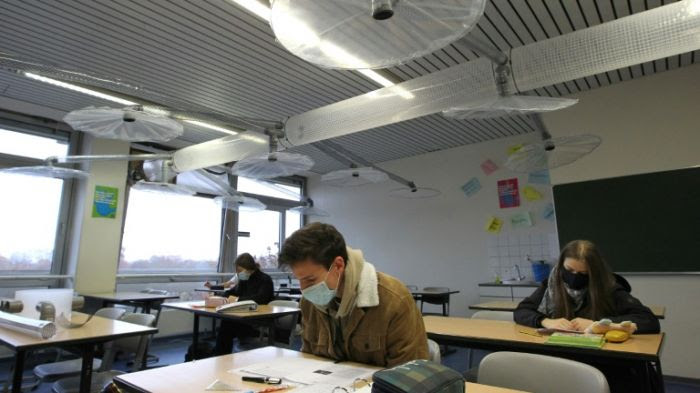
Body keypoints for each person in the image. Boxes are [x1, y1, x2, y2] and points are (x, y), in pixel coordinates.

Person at [278, 222, 429, 368]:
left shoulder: (394, 301)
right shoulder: (309, 303)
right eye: (299, 280)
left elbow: (410, 376)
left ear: (338, 265)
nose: (304, 289)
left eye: (310, 279)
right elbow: (310, 360)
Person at [515, 240, 660, 334]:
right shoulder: (553, 283)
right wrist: (546, 321)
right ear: (561, 266)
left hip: (602, 357)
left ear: (594, 273)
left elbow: (649, 321)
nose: (574, 277)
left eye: (583, 273)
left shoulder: (610, 288)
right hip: (563, 352)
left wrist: (599, 325)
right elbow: (521, 311)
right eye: (569, 270)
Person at [214, 253, 274, 355]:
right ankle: (220, 356)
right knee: (226, 323)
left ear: (249, 268)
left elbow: (260, 299)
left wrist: (237, 300)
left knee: (227, 326)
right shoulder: (244, 279)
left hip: (258, 319)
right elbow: (233, 291)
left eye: (240, 271)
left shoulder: (265, 279)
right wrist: (223, 296)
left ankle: (220, 356)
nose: (238, 274)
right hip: (244, 316)